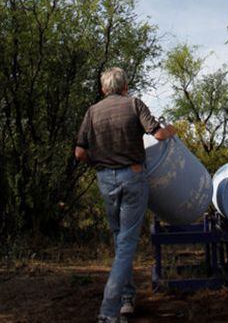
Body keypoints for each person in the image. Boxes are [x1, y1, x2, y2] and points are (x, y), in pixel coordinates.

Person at [75, 67, 176, 323]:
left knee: (120, 239)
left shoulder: (92, 111)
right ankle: (108, 313)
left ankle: (126, 300)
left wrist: (98, 165)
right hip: (133, 177)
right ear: (125, 86)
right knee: (126, 244)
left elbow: (79, 152)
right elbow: (160, 135)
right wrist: (172, 129)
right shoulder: (133, 104)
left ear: (102, 89)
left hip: (105, 179)